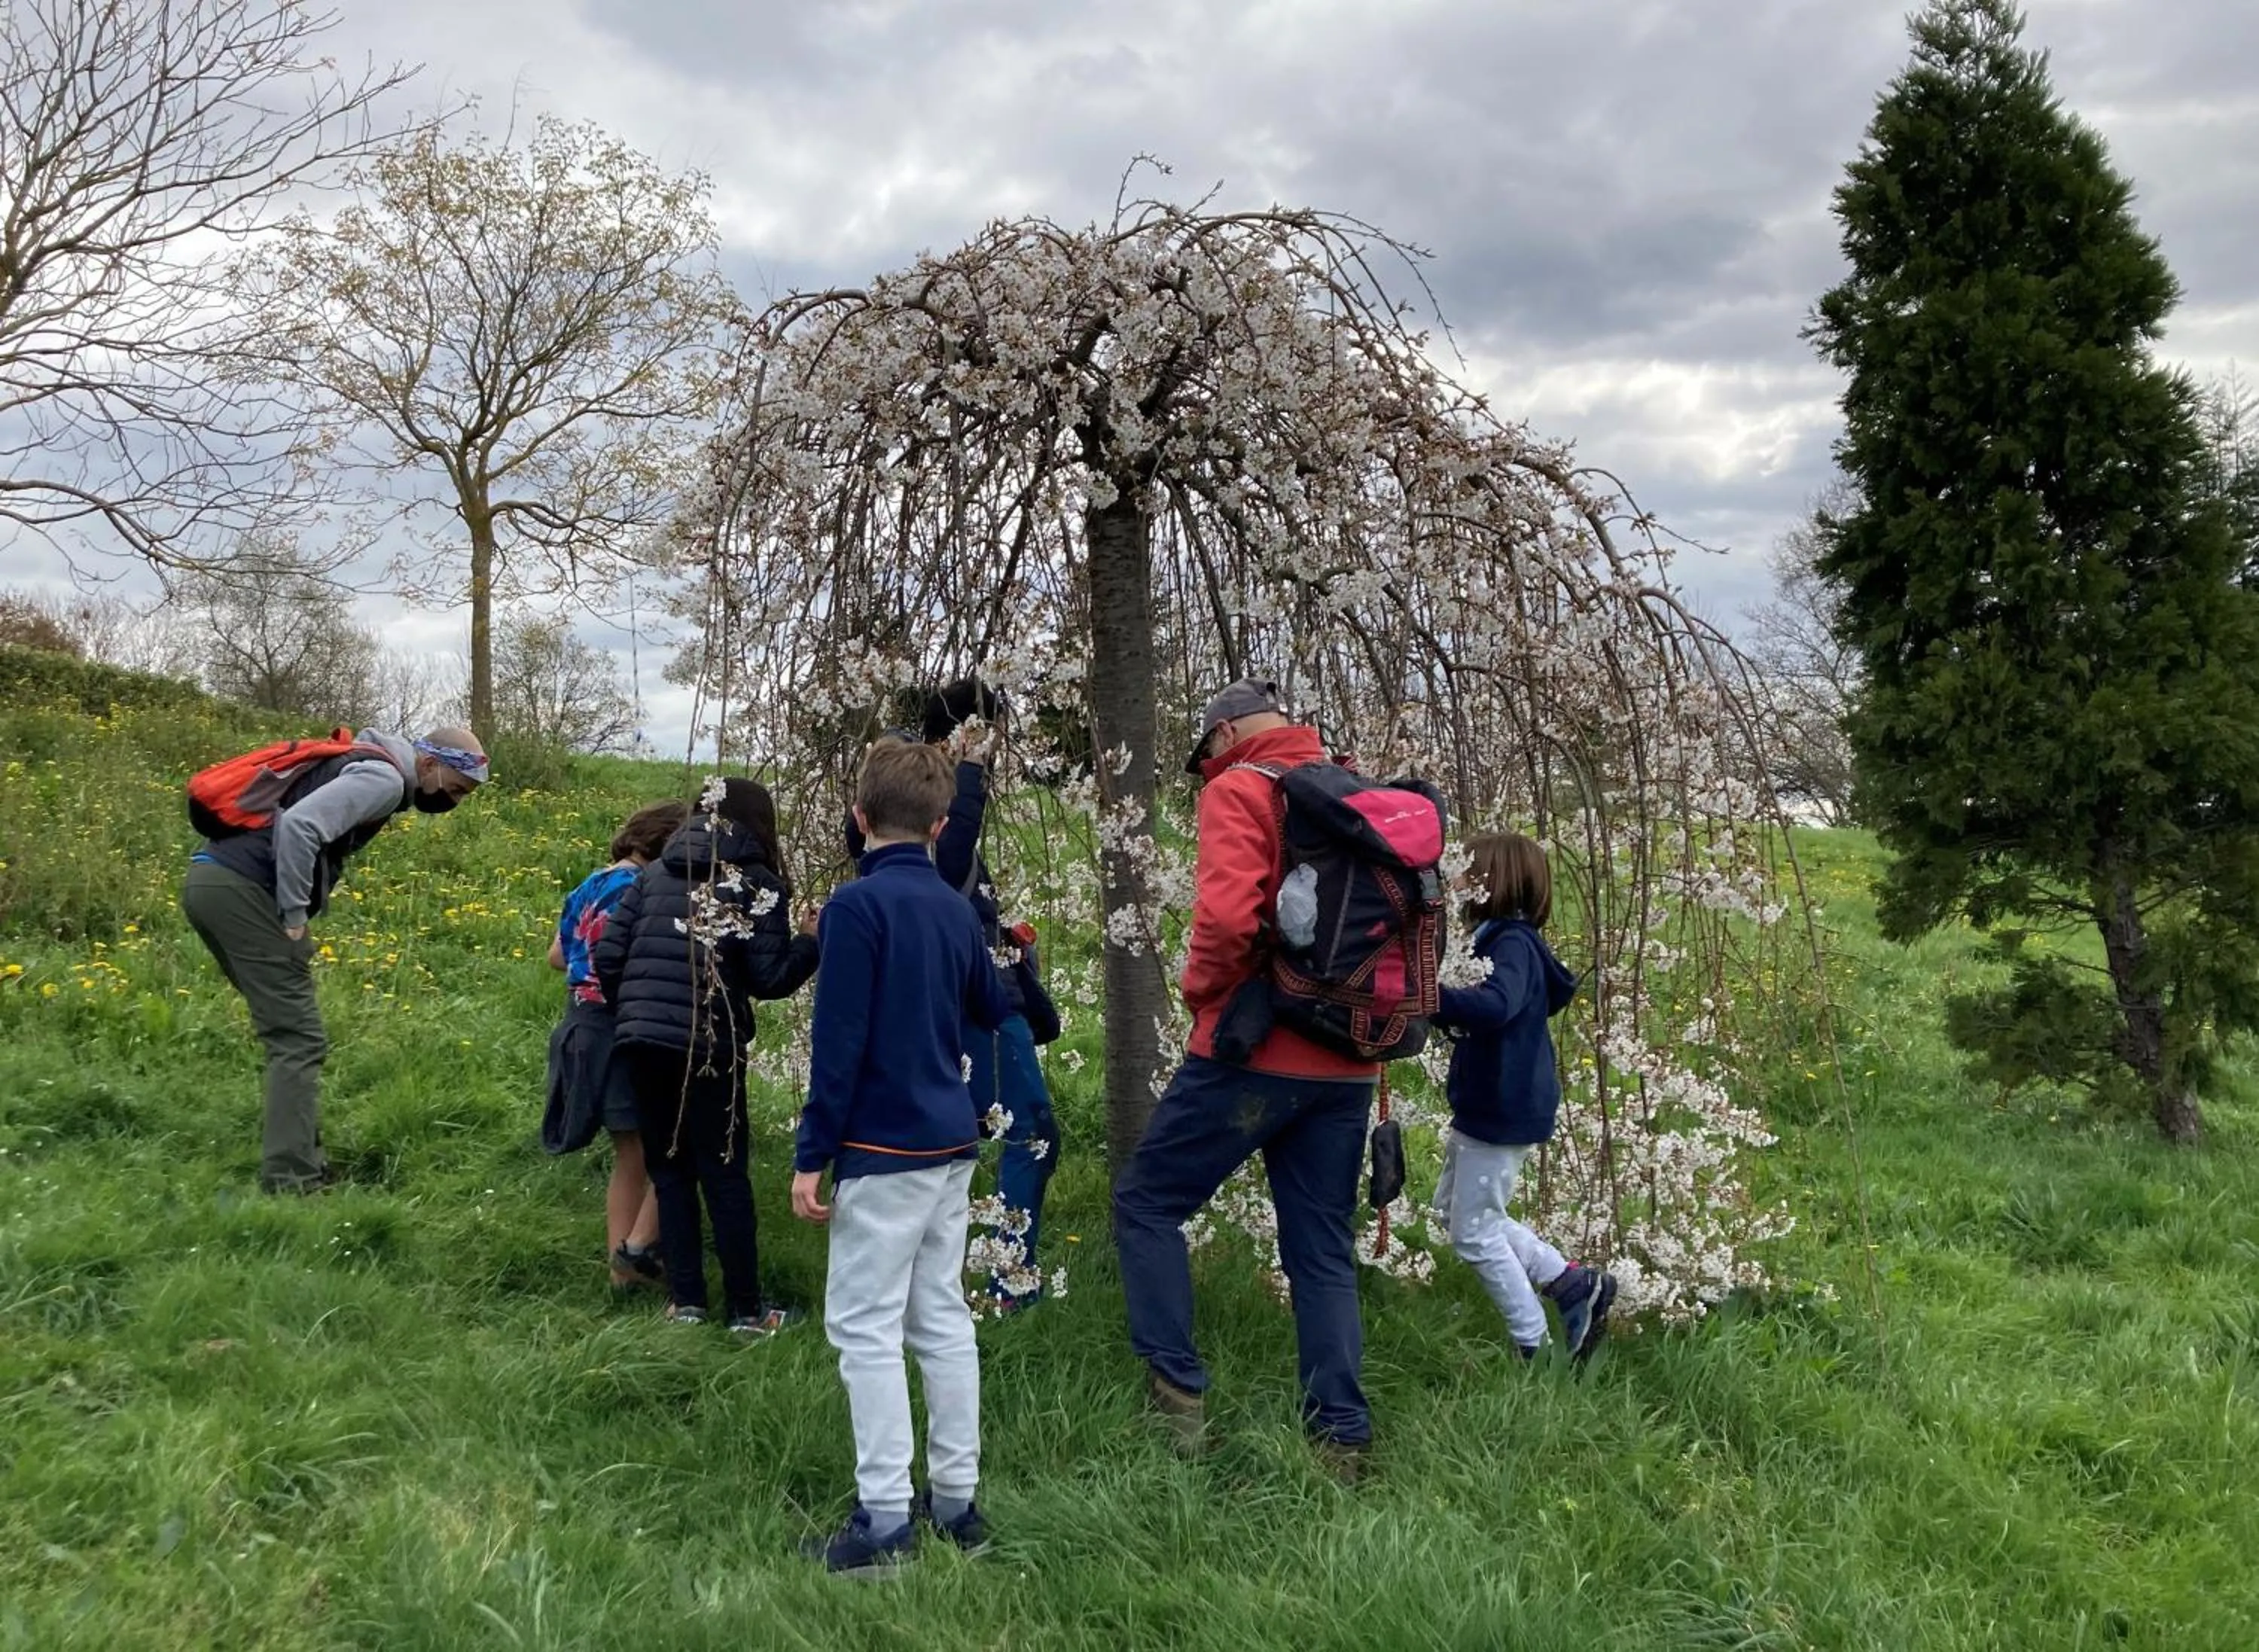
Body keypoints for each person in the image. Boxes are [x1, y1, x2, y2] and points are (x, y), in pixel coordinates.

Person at [1111, 681, 1381, 1477]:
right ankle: (1342, 1436)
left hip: (1254, 1052)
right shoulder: (1355, 788)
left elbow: (1229, 919)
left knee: (1147, 1200)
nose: (1205, 774)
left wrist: (1201, 993)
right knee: (1322, 1248)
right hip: (1350, 1060)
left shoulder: (1242, 787)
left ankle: (1178, 1409)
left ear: (1224, 734)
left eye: (1205, 757)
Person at [793, 739, 1015, 1575]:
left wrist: (813, 1154)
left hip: (883, 1145)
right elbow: (991, 1006)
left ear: (859, 818)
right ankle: (956, 1503)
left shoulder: (856, 908)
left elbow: (838, 1038)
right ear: (940, 822)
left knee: (865, 1327)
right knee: (941, 1320)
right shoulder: (958, 911)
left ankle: (885, 1522)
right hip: (950, 1141)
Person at [181, 725, 487, 1193]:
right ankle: (292, 1181)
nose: (455, 801)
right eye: (458, 788)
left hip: (214, 884)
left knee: (291, 1032)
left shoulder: (371, 764)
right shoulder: (384, 781)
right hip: (241, 892)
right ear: (429, 764)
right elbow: (302, 825)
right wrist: (293, 914)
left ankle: (303, 1157)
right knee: (299, 1038)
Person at [846, 679, 1061, 1309]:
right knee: (1031, 1131)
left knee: (968, 1137)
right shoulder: (910, 841)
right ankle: (1007, 1284)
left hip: (950, 1005)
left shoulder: (890, 850)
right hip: (976, 1008)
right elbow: (958, 837)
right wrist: (972, 760)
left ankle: (953, 1275)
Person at [592, 779, 817, 1336]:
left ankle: (686, 1304)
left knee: (670, 1171)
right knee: (724, 1175)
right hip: (708, 1045)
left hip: (642, 1042)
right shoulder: (755, 884)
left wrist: (638, 1012)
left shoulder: (654, 874)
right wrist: (813, 940)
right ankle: (746, 1310)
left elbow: (607, 956)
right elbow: (768, 978)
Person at [1431, 833, 1617, 1361]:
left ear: (1495, 880)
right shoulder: (1494, 936)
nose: (1458, 878)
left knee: (1472, 1232)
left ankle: (1530, 1339)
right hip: (1487, 1101)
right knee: (1454, 1213)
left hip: (1503, 1106)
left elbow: (1495, 1005)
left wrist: (1429, 998)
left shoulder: (1510, 942)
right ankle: (1570, 1283)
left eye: (1469, 870)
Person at [544, 800, 690, 1293]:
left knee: (629, 1152)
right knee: (667, 1143)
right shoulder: (638, 888)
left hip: (581, 1021)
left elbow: (556, 957)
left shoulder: (591, 883)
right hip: (621, 1022)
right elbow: (621, 958)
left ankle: (621, 1275)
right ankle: (636, 1252)